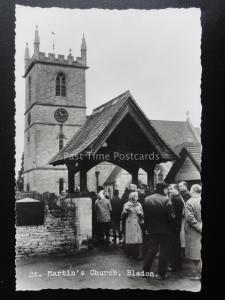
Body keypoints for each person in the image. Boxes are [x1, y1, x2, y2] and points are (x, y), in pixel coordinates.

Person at [143, 182, 173, 280]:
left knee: (151, 250)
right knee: (164, 252)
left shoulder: (147, 199)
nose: (167, 190)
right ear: (163, 189)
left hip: (152, 229)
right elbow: (171, 217)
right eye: (166, 189)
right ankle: (161, 274)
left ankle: (145, 271)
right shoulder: (167, 200)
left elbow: (145, 216)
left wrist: (146, 228)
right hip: (165, 230)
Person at [185, 184, 202, 280]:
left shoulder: (189, 202)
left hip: (194, 231)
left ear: (192, 191)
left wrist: (199, 227)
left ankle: (198, 274)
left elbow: (190, 218)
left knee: (195, 254)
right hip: (200, 227)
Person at [168, 184, 184, 272]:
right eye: (169, 189)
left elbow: (172, 214)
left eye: (171, 189)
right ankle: (177, 265)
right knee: (176, 245)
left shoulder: (174, 199)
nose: (169, 190)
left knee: (174, 246)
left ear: (176, 189)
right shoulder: (179, 198)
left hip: (173, 226)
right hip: (177, 225)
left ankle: (174, 266)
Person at [122, 191, 143, 259]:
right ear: (131, 197)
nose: (137, 198)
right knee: (131, 239)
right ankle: (131, 253)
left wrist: (140, 214)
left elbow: (142, 213)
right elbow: (123, 214)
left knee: (139, 239)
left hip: (137, 222)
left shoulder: (139, 204)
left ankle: (140, 254)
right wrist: (126, 211)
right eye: (136, 196)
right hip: (130, 223)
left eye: (137, 196)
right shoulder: (127, 204)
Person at [178, 181, 191, 259]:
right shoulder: (183, 194)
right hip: (183, 217)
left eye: (181, 186)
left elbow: (186, 206)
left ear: (186, 186)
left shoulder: (186, 195)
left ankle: (185, 255)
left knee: (183, 236)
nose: (179, 187)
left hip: (184, 217)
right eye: (179, 186)